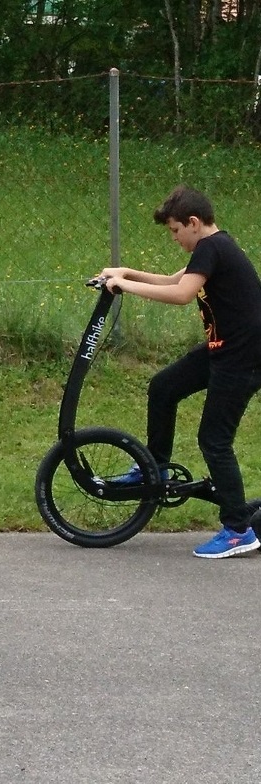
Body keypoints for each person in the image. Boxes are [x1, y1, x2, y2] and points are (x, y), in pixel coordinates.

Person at [100, 185, 261, 559]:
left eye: (175, 230)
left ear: (193, 222)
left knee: (214, 440)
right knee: (164, 387)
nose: (174, 238)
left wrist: (125, 286)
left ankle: (238, 530)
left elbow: (181, 294)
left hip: (244, 358)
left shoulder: (212, 247)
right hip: (225, 349)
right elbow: (175, 280)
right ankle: (154, 467)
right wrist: (126, 273)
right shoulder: (214, 247)